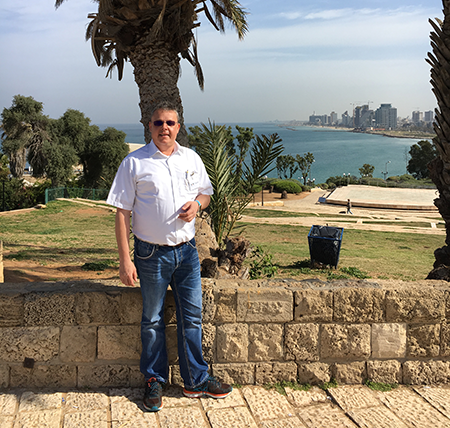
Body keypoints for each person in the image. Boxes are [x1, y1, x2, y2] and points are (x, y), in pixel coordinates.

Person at [106, 101, 232, 412]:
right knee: (152, 320)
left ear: (179, 127)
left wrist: (198, 206)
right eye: (158, 123)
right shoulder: (134, 163)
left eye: (170, 123)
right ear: (149, 127)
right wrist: (125, 260)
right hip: (150, 254)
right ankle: (154, 381)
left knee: (192, 318)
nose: (165, 128)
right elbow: (122, 213)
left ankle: (195, 381)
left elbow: (206, 193)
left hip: (187, 253)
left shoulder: (191, 158)